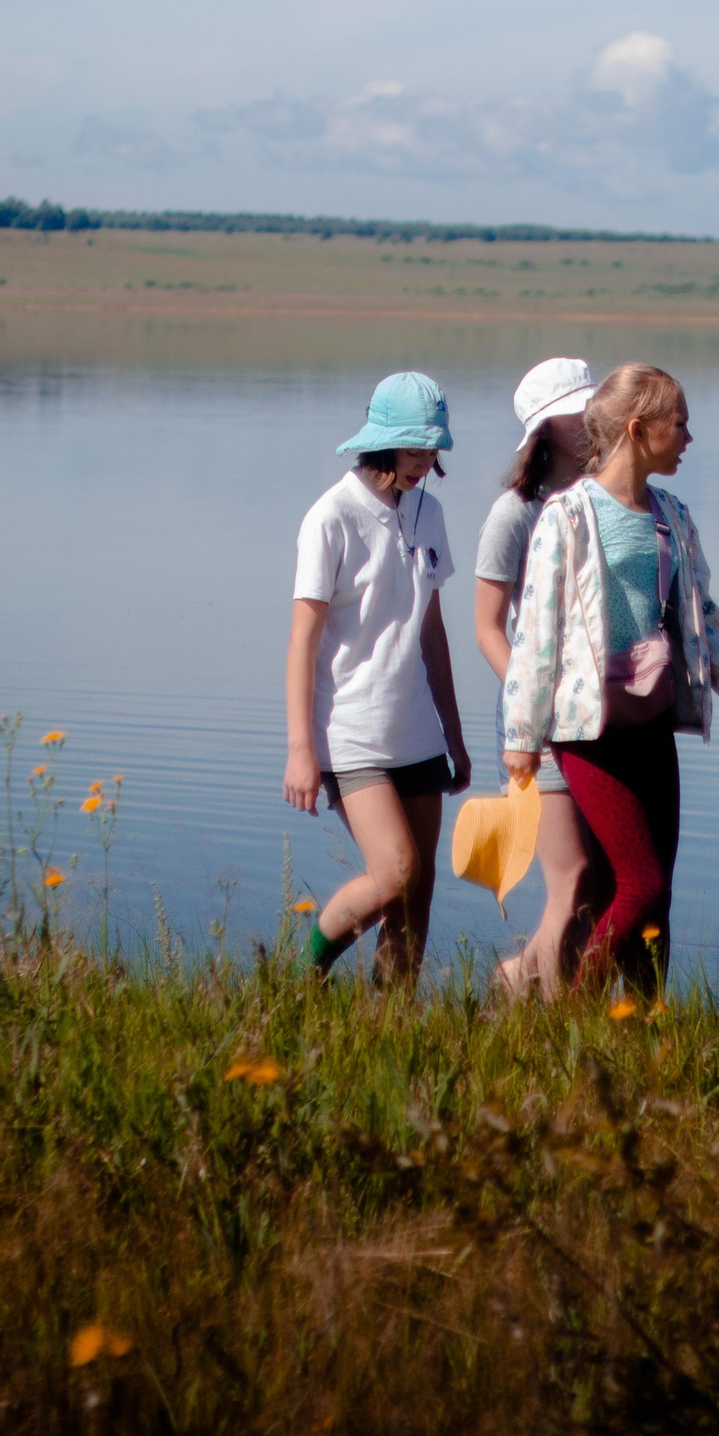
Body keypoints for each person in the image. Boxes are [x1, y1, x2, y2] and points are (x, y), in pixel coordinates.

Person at [500, 363, 719, 993]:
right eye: (678, 424)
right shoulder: (567, 516)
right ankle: (576, 1012)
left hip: (650, 724)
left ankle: (646, 1035)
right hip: (587, 731)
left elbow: (701, 614)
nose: (687, 438)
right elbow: (537, 632)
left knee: (658, 899)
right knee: (639, 884)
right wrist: (521, 736)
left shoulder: (672, 514)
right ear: (636, 427)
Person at [284, 371, 474, 981]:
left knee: (416, 894)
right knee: (394, 873)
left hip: (416, 731)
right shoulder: (331, 517)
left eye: (432, 449)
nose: (425, 461)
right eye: (415, 447)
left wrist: (455, 736)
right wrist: (299, 750)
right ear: (383, 442)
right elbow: (303, 639)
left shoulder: (429, 511)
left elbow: (432, 631)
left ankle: (390, 1023)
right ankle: (300, 978)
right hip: (351, 734)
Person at [473, 357, 604, 998]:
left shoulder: (609, 499)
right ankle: (556, 1025)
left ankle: (517, 980)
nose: (586, 424)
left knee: (603, 884)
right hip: (540, 721)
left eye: (590, 410)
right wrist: (537, 701)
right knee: (573, 875)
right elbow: (487, 628)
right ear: (543, 431)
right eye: (570, 415)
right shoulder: (514, 513)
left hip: (602, 715)